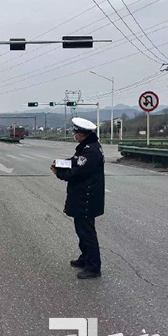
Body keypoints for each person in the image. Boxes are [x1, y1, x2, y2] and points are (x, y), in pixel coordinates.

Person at [51, 117, 105, 279]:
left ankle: (93, 267)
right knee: (81, 230)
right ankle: (85, 258)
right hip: (83, 196)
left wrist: (58, 172)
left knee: (86, 232)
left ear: (82, 134)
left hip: (87, 197)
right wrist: (59, 163)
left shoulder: (90, 151)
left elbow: (77, 172)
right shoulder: (88, 146)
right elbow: (75, 162)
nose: (74, 135)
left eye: (76, 132)